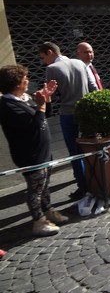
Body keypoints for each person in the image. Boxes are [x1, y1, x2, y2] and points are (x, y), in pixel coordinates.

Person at [0, 65, 68, 236]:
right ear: (16, 84)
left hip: (43, 151)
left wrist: (47, 98)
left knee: (44, 186)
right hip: (30, 155)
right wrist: (41, 104)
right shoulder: (8, 106)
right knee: (36, 189)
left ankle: (48, 210)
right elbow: (35, 125)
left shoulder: (25, 98)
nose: (28, 81)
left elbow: (46, 115)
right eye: (25, 79)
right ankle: (38, 221)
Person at [38, 42, 93, 199]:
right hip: (85, 111)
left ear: (50, 52)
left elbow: (50, 95)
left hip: (68, 114)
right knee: (90, 148)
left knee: (74, 152)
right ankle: (96, 181)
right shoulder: (80, 63)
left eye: (43, 58)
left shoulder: (52, 69)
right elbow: (91, 86)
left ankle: (83, 187)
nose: (43, 62)